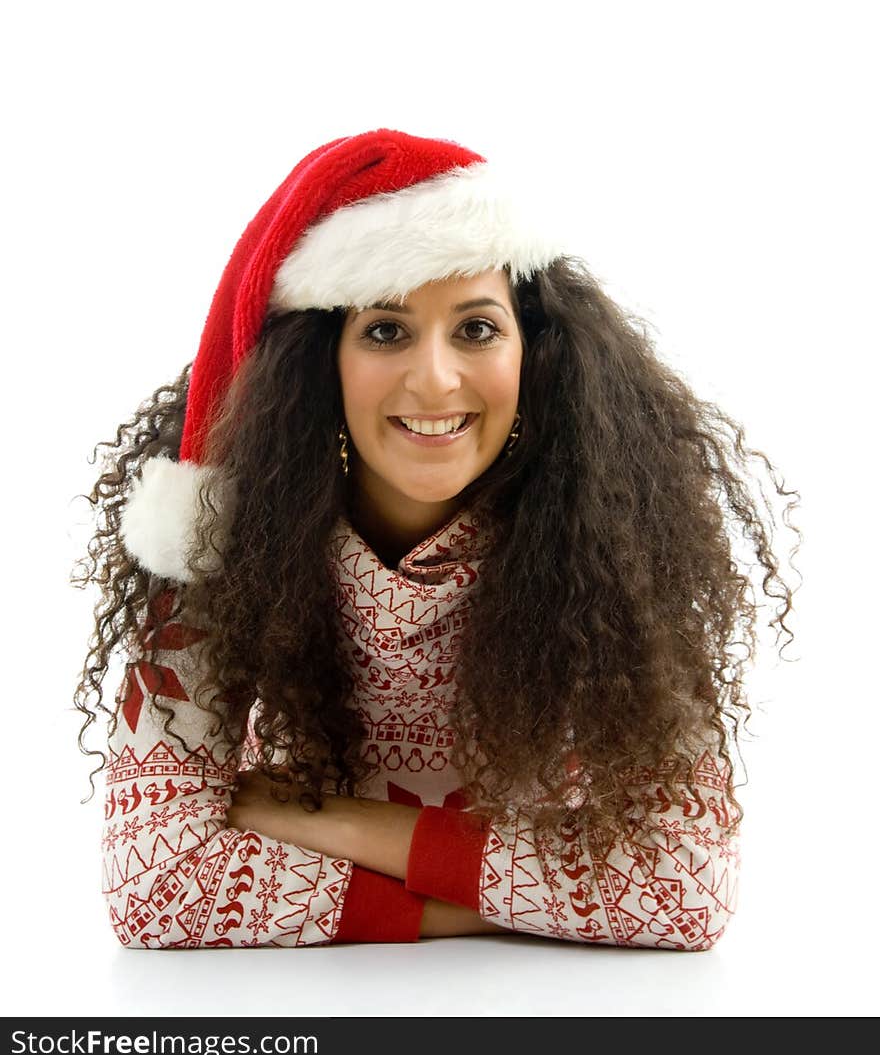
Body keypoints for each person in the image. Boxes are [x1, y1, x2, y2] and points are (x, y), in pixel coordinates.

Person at [71, 127, 799, 950]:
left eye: (476, 329)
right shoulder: (220, 551)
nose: (437, 379)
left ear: (534, 353)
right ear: (323, 364)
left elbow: (684, 884)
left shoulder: (616, 551)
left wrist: (341, 824)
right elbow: (154, 882)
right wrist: (511, 896)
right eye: (386, 330)